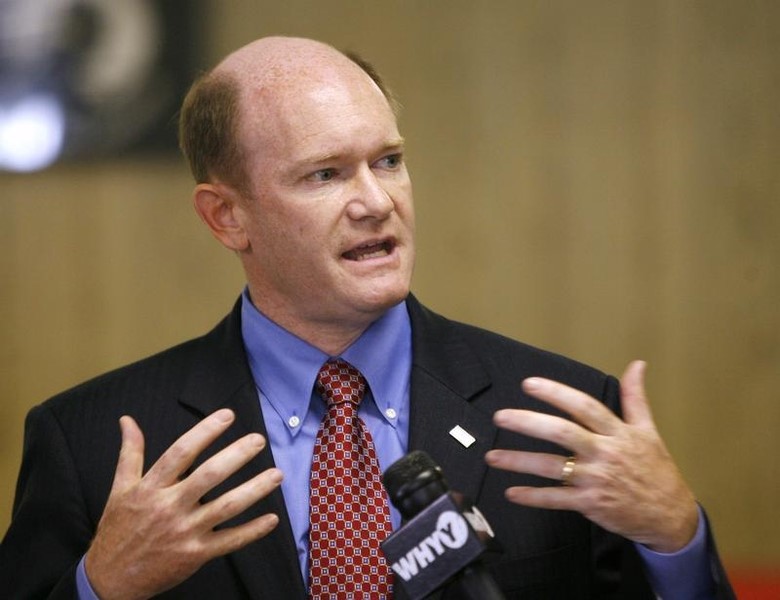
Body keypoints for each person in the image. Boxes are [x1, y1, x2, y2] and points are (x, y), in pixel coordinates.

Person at [0, 36, 734, 599]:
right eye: (325, 174)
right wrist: (100, 587)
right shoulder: (93, 442)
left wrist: (677, 540)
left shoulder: (555, 412)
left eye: (387, 161)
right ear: (227, 217)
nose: (376, 202)